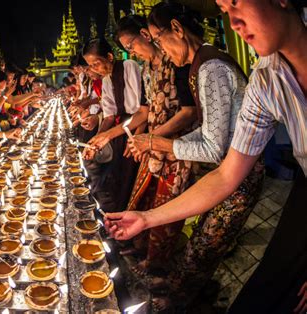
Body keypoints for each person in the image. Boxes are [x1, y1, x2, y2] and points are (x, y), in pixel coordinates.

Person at [105, 0, 307, 312]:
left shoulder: (212, 67)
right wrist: (145, 219)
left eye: (237, 4)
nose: (235, 22)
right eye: (226, 11)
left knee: (207, 248)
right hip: (237, 175)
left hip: (260, 187)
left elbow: (213, 147)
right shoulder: (266, 80)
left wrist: (163, 144)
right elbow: (226, 171)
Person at [89, 14, 198, 275]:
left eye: (131, 46)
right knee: (141, 199)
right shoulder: (149, 69)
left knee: (166, 208)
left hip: (175, 148)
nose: (132, 52)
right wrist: (109, 134)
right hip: (152, 144)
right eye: (127, 49)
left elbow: (189, 112)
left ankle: (157, 263)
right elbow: (143, 112)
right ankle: (140, 245)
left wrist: (150, 139)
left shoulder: (176, 63)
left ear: (147, 36)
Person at [81, 38, 141, 212]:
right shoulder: (106, 80)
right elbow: (108, 117)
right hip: (118, 132)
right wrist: (95, 140)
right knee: (116, 177)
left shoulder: (129, 66)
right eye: (90, 66)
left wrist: (136, 139)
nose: (94, 69)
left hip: (136, 129)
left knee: (130, 179)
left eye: (96, 63)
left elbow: (141, 111)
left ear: (109, 56)